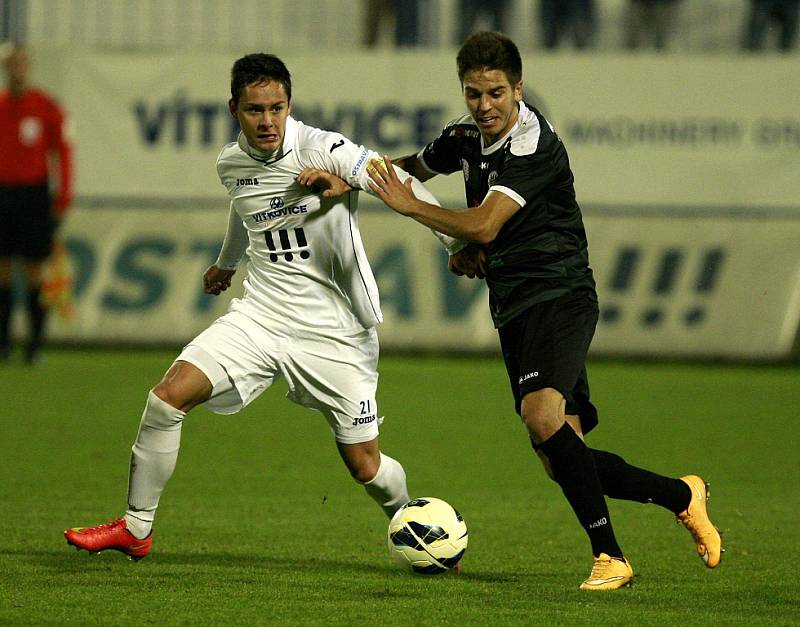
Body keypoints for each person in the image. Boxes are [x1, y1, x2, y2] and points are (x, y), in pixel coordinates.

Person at [64, 53, 460, 560]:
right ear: (235, 109)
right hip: (262, 317)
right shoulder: (230, 162)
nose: (268, 120)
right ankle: (136, 528)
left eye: (277, 107)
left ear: (289, 104)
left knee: (365, 466)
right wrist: (226, 263)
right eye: (255, 109)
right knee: (167, 398)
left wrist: (454, 243)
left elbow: (397, 181)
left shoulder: (326, 149)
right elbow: (244, 207)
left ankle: (414, 525)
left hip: (335, 331)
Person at [364, 31, 723, 590]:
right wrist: (347, 175)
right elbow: (411, 166)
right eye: (473, 93)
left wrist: (416, 211)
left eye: (496, 93)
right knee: (561, 456)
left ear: (519, 89)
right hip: (514, 303)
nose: (485, 106)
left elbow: (483, 222)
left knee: (541, 417)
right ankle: (683, 494)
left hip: (558, 293)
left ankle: (612, 558)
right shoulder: (465, 138)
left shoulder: (533, 144)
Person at [0, 43, 73, 363]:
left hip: (33, 195)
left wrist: (63, 197)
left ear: (28, 67)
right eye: (11, 64)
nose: (16, 69)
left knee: (33, 272)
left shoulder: (44, 106)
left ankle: (34, 346)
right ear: (5, 68)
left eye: (21, 63)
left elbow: (64, 152)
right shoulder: (1, 106)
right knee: (2, 270)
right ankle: (3, 344)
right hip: (2, 194)